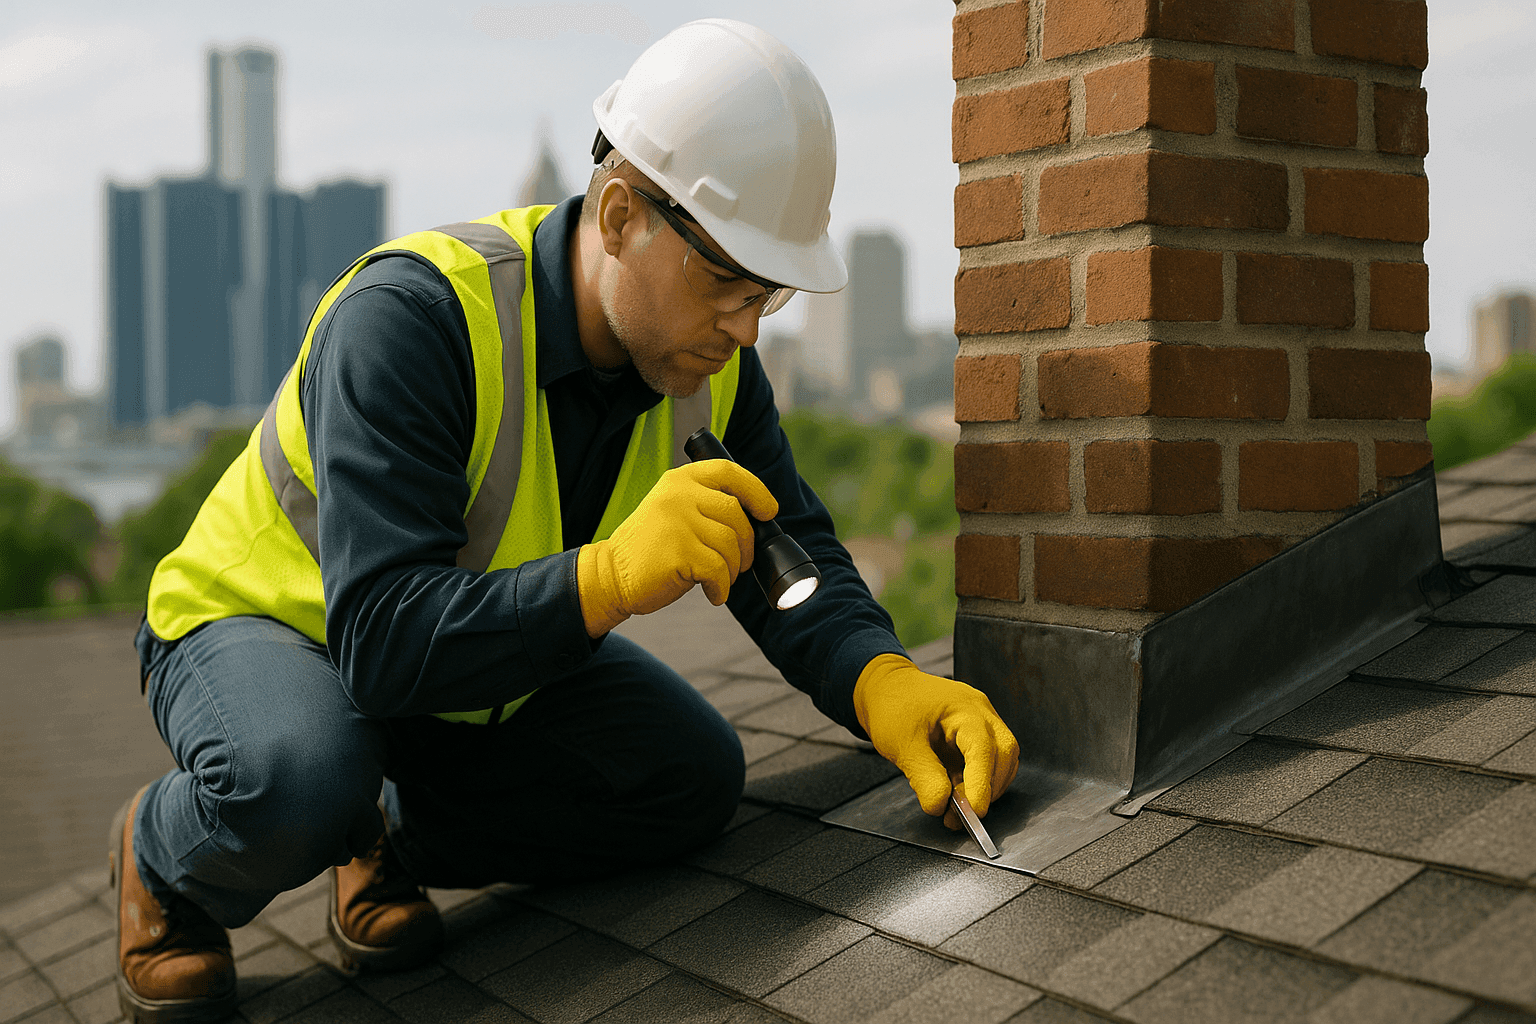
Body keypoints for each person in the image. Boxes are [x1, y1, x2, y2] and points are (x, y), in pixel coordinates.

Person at [112, 18, 1019, 1023]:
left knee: (688, 780)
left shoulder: (712, 371)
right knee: (301, 777)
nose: (745, 325)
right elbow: (378, 642)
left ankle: (385, 837)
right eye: (725, 279)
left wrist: (877, 677)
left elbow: (788, 554)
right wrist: (609, 577)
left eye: (767, 293)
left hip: (451, 661)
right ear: (621, 213)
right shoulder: (413, 320)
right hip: (271, 628)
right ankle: (166, 866)